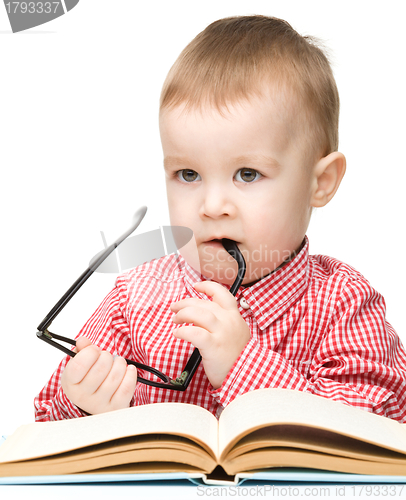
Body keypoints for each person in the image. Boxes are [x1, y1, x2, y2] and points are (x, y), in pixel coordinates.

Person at [35, 15, 406, 422]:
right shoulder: (133, 299)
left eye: (248, 174)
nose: (212, 206)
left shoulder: (342, 302)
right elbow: (47, 420)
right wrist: (85, 404)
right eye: (188, 175)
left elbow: (377, 425)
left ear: (321, 182)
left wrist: (244, 365)